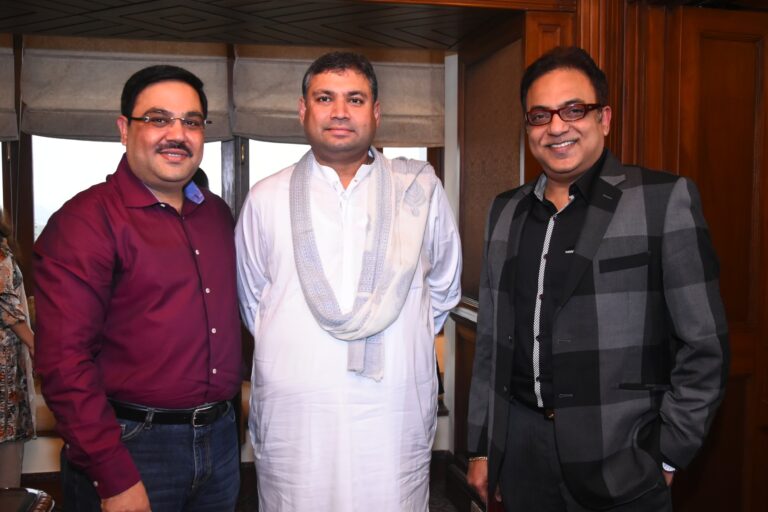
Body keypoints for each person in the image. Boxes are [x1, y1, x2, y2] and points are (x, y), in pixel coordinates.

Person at [466, 46, 729, 512]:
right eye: (540, 115)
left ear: (604, 118)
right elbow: (490, 343)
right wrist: (484, 447)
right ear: (528, 127)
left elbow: (705, 346)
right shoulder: (504, 211)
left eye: (573, 109)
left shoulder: (662, 200)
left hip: (623, 456)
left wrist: (668, 453)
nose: (557, 126)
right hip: (522, 455)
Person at [236, 51, 462, 511]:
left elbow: (442, 290)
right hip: (298, 418)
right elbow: (255, 303)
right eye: (325, 98)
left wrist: (394, 331)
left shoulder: (419, 192)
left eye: (355, 99)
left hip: (390, 410)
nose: (340, 111)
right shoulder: (265, 197)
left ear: (375, 112)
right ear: (303, 109)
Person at [34, 65, 242, 512]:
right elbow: (63, 363)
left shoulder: (218, 217)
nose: (177, 134)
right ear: (124, 129)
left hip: (222, 442)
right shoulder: (85, 222)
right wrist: (113, 475)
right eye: (158, 119)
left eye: (191, 121)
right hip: (132, 446)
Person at [0, 213, 35, 488]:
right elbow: (10, 312)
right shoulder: (1, 255)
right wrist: (36, 345)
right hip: (4, 362)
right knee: (7, 445)